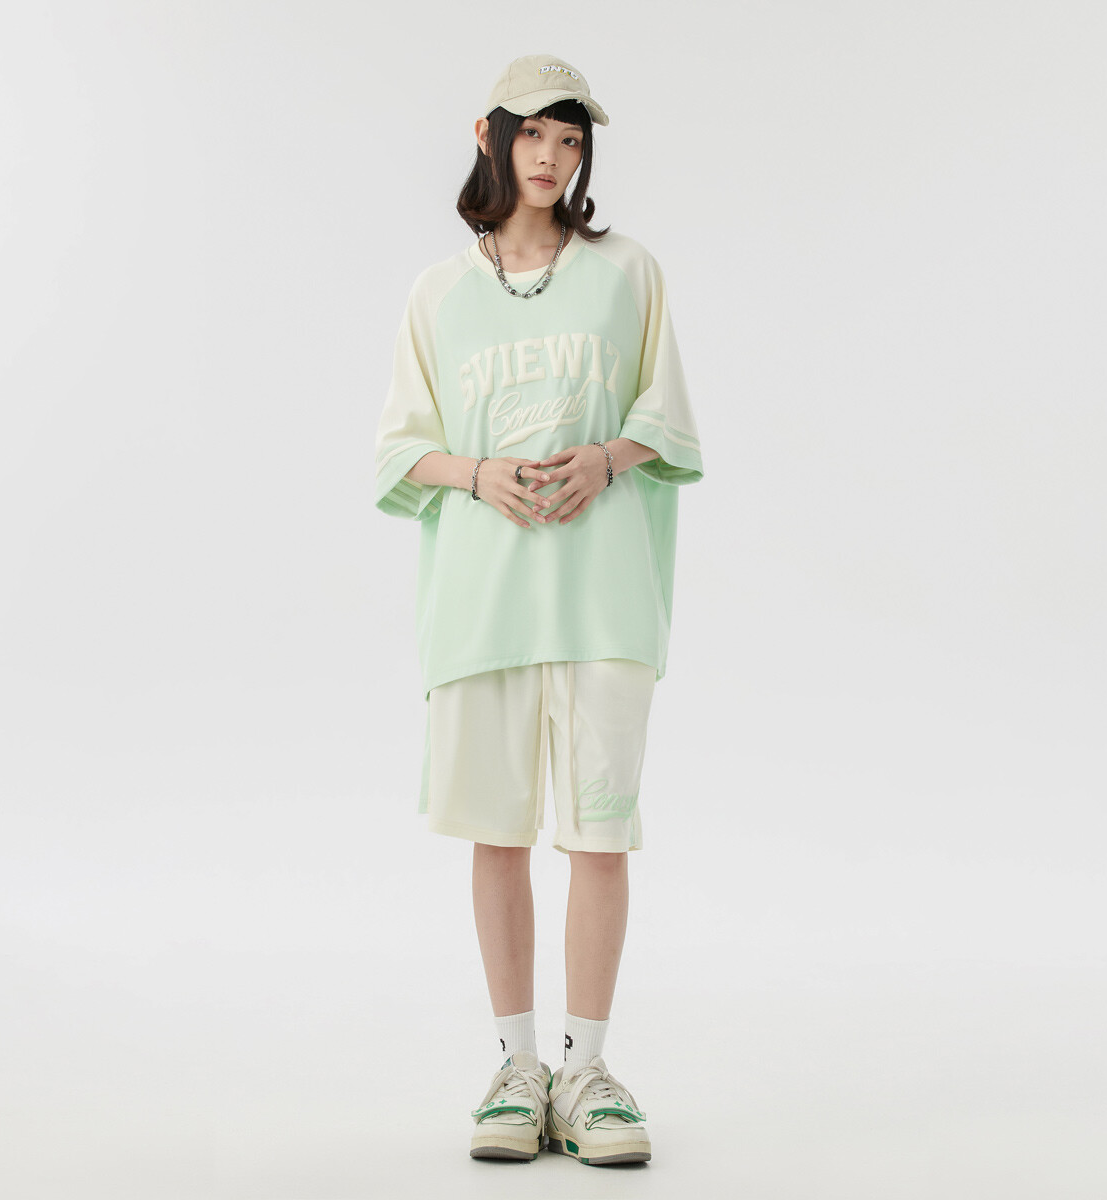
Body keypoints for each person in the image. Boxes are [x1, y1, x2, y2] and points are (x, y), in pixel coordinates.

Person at [372, 53, 704, 1167]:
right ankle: (516, 1068)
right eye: (534, 135)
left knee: (600, 837)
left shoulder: (627, 272)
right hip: (484, 609)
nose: (553, 158)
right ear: (490, 135)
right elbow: (400, 450)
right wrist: (478, 475)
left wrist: (606, 457)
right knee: (498, 834)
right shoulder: (437, 294)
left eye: (571, 140)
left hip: (604, 601)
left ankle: (587, 1071)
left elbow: (669, 420)